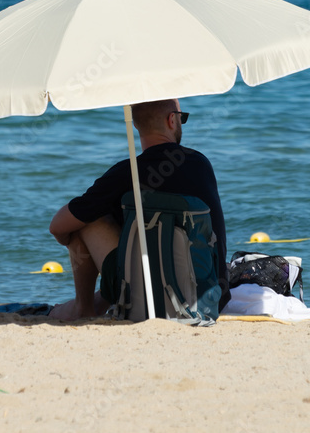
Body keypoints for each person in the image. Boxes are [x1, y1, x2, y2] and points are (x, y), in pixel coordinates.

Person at [48, 98, 229, 320]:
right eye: (182, 118)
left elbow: (57, 226)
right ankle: (100, 298)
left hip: (147, 297)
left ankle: (83, 307)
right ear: (172, 120)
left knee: (85, 219)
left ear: (135, 124)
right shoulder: (201, 164)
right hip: (209, 295)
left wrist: (74, 242)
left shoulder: (126, 173)